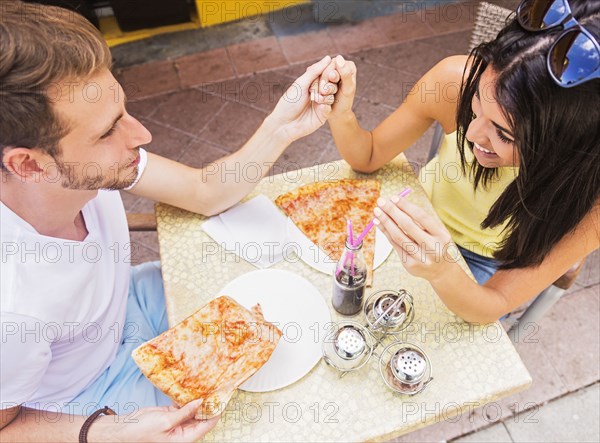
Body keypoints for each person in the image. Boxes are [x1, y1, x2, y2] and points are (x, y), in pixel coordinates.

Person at [0, 1, 338, 440]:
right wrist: (108, 432)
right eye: (107, 131)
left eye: (123, 109)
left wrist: (282, 126)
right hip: (84, 398)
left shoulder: (86, 162)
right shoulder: (13, 307)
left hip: (130, 302)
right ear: (28, 165)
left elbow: (204, 191)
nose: (141, 135)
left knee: (299, 316)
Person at [324, 0, 599, 324]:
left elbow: (493, 303)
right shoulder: (454, 80)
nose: (472, 135)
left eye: (504, 135)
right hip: (413, 213)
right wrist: (340, 113)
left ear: (566, 143)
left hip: (481, 265)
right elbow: (367, 156)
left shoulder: (589, 191)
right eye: (477, 102)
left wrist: (441, 270)